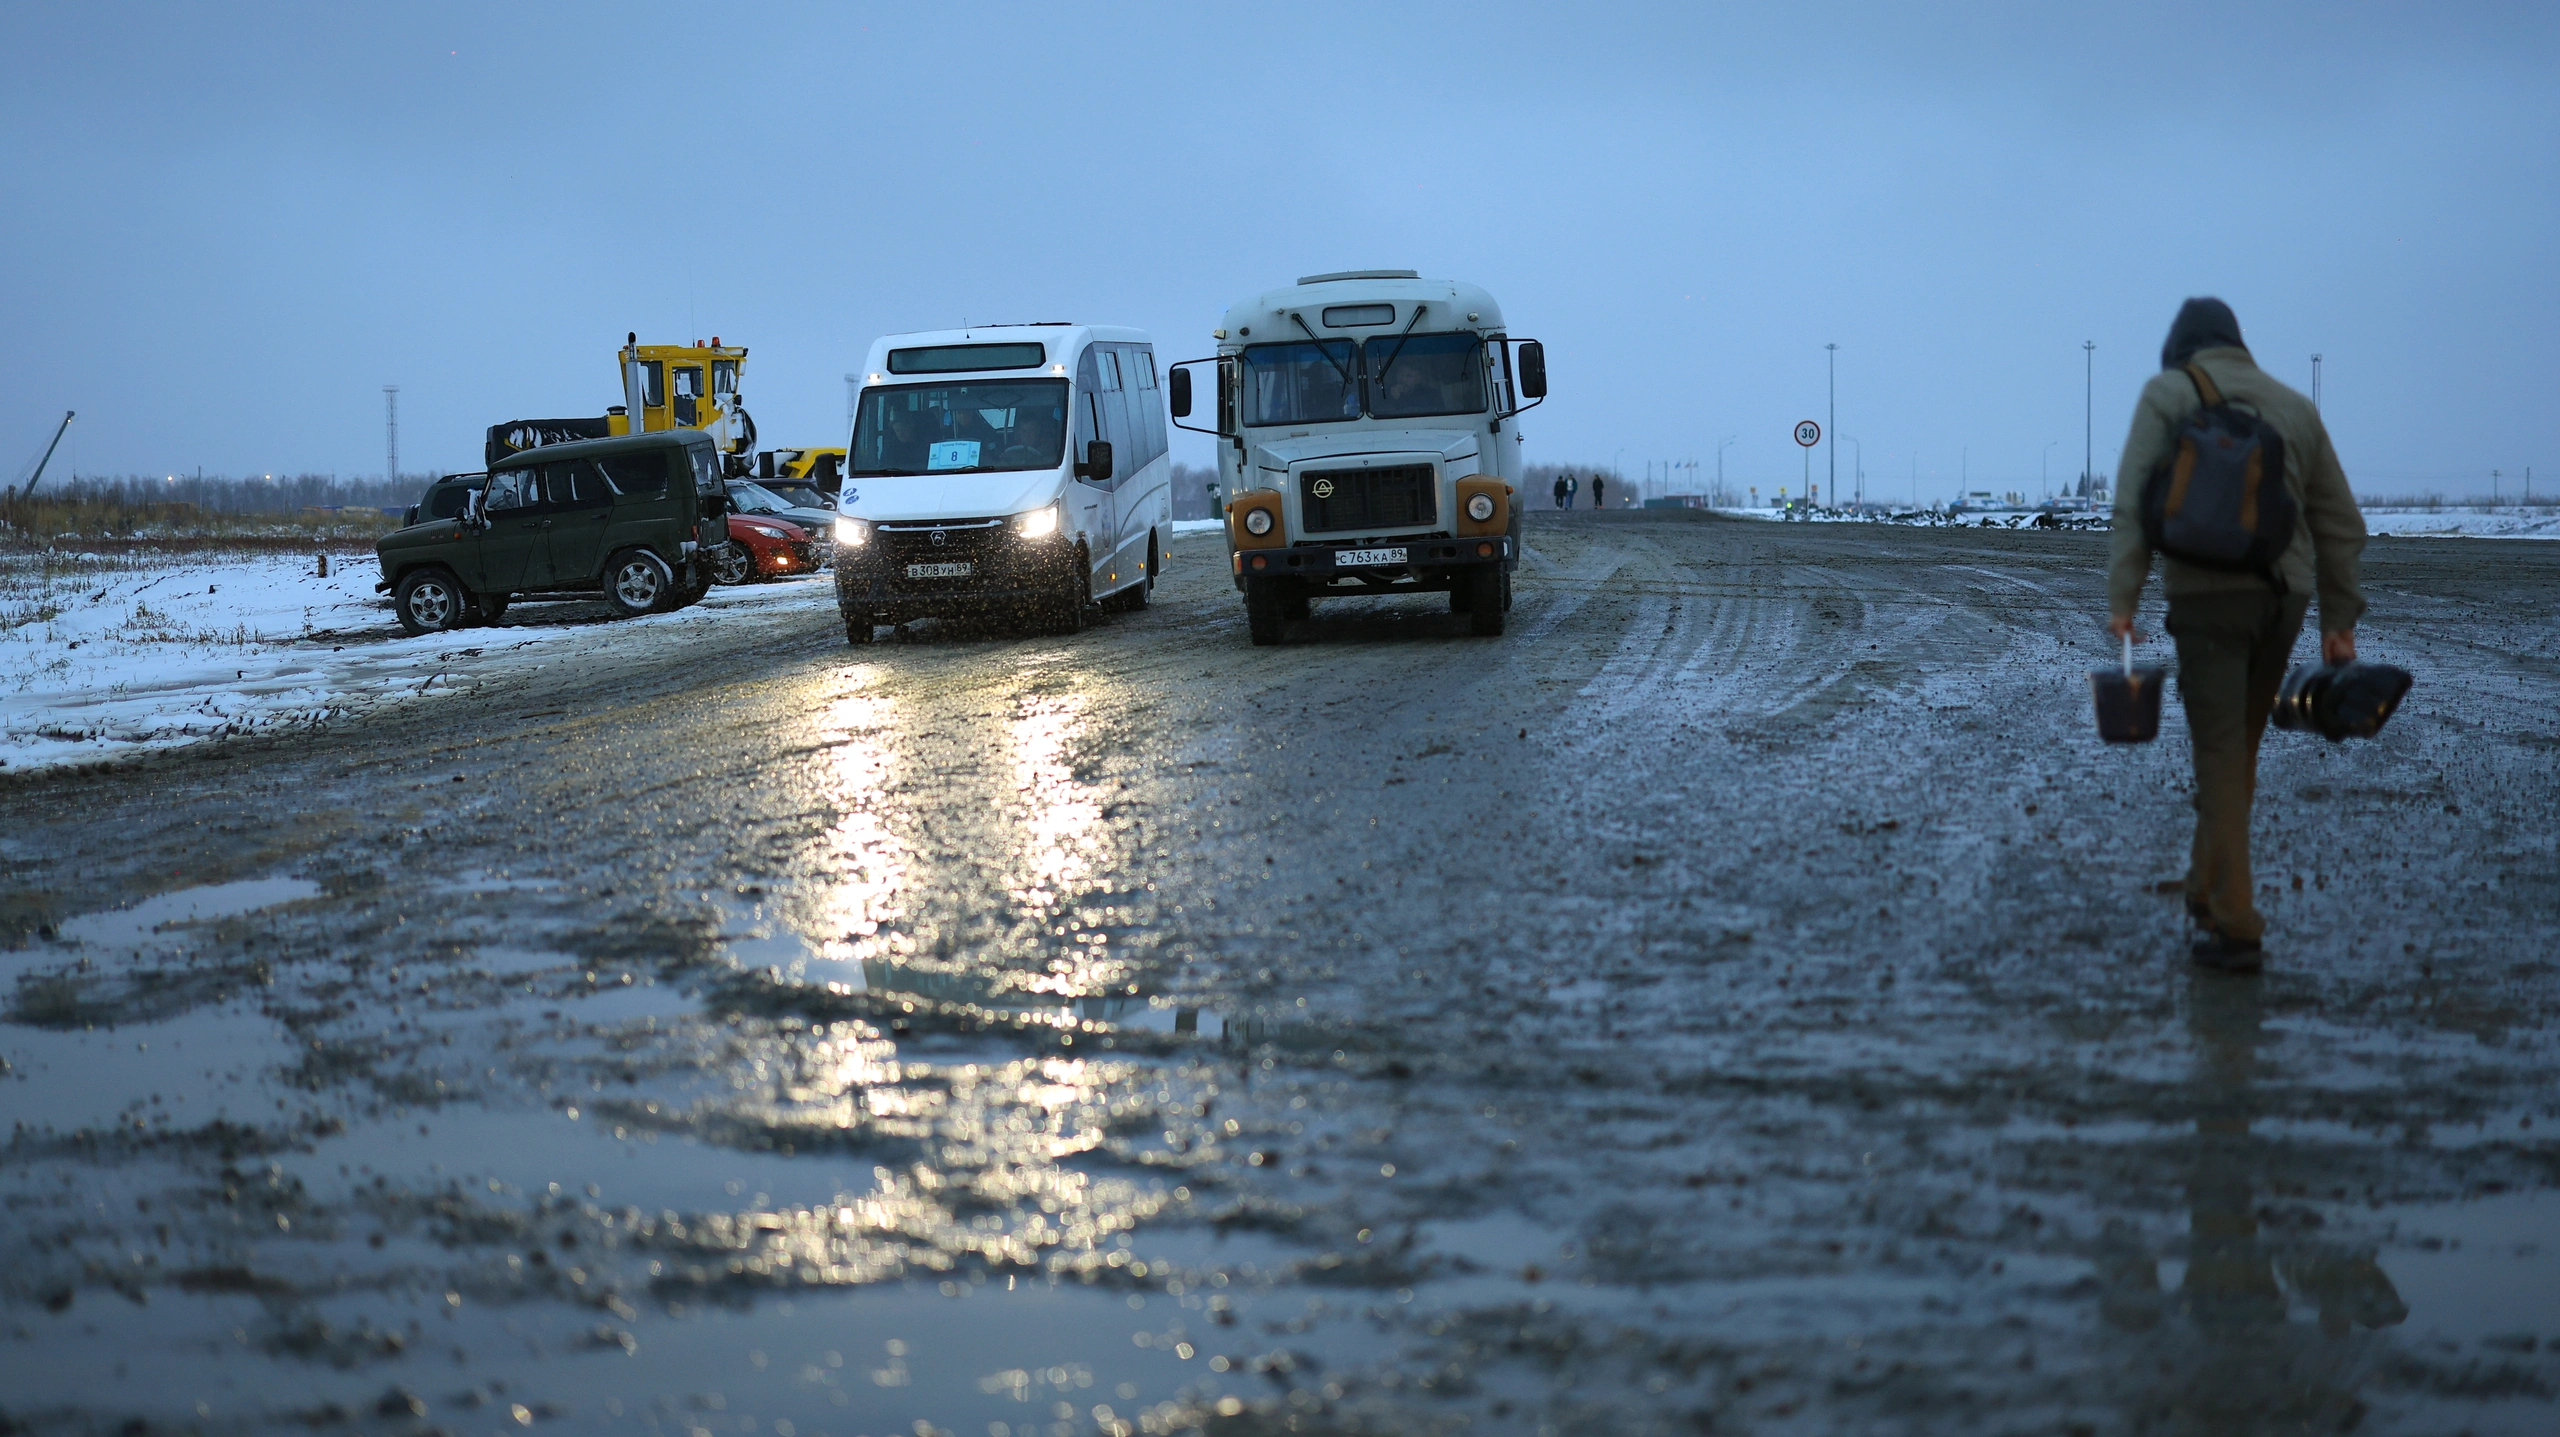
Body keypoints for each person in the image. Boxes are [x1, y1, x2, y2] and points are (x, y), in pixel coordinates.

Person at [2105, 297, 2367, 973]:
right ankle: (2204, 886)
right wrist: (2339, 621)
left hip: (2207, 597)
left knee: (2220, 749)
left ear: (2181, 350)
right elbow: (2340, 521)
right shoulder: (2292, 405)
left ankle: (2236, 922)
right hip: (2285, 596)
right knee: (2237, 749)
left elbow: (2134, 500)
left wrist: (2123, 598)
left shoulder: (2168, 394)